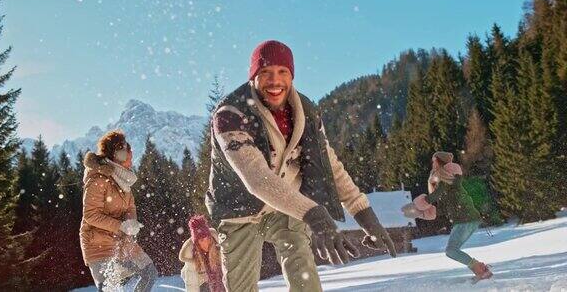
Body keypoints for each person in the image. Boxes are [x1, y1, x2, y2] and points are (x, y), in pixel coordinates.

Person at [206, 40, 396, 292]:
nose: (275, 81)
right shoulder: (230, 114)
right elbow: (256, 178)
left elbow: (329, 164)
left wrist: (365, 216)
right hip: (238, 208)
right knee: (240, 288)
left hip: (287, 205)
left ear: (291, 75)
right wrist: (315, 215)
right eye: (265, 73)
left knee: (302, 269)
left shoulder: (305, 111)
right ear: (253, 76)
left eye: (282, 72)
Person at [80, 130, 158, 291]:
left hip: (122, 242)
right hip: (98, 243)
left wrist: (131, 222)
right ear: (119, 154)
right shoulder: (98, 179)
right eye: (129, 153)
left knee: (149, 273)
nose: (132, 157)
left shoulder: (123, 181)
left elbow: (130, 207)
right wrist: (121, 226)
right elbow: (90, 215)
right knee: (110, 288)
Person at [402, 151, 493, 281]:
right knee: (452, 250)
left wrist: (417, 205)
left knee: (451, 250)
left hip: (466, 218)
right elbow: (443, 209)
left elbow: (435, 196)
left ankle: (481, 270)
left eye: (434, 161)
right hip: (465, 219)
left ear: (440, 162)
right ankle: (481, 270)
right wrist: (421, 213)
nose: (432, 164)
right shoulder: (446, 182)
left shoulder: (448, 180)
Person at [179, 215, 224, 292]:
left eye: (208, 238)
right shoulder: (191, 256)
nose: (206, 243)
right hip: (202, 284)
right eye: (201, 240)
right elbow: (192, 285)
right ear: (196, 243)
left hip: (221, 280)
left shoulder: (219, 247)